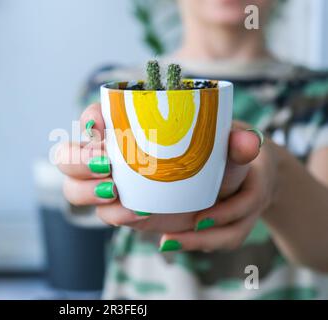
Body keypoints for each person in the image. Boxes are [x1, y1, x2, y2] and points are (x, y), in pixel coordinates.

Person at [56, 0, 328, 299]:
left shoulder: (319, 97)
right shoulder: (113, 89)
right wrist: (87, 177)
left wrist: (278, 176)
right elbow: (84, 207)